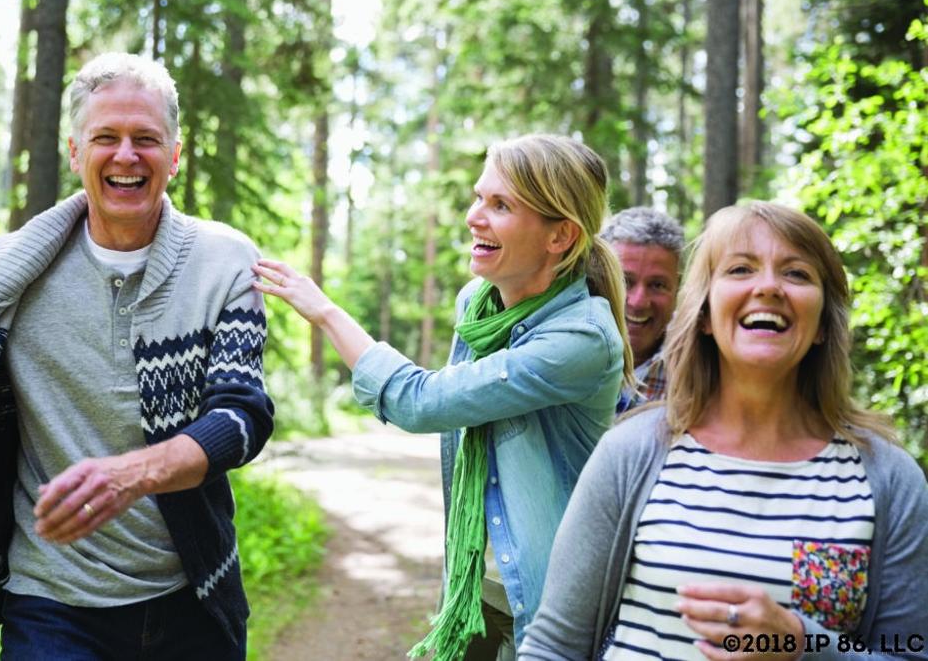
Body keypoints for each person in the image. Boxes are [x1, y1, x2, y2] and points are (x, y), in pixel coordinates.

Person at [0, 53, 273, 659]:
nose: (125, 156)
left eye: (146, 139)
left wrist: (130, 474)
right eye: (105, 138)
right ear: (73, 152)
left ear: (174, 154)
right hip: (50, 603)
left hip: (191, 595)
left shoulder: (225, 262)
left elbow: (242, 415)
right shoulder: (1, 272)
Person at [254, 134, 633, 660]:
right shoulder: (478, 305)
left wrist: (324, 312)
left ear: (560, 237)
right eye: (480, 197)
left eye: (501, 205)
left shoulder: (579, 340)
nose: (475, 216)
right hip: (473, 586)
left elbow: (422, 401)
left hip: (550, 603)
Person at [518, 202, 928, 660]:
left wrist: (802, 646)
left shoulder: (889, 480)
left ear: (821, 327)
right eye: (740, 269)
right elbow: (553, 648)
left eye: (796, 274)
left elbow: (909, 651)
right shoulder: (632, 453)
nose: (769, 286)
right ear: (705, 315)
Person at [601, 207, 683, 413]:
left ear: (677, 288)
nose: (638, 302)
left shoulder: (698, 371)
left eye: (657, 285)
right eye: (625, 282)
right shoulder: (554, 350)